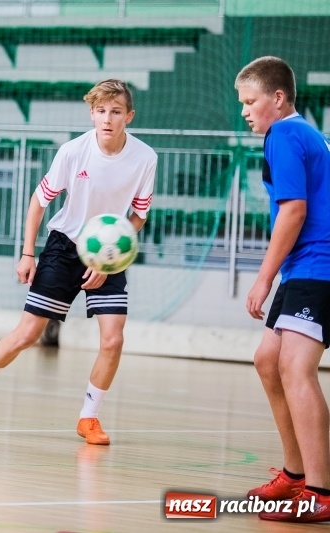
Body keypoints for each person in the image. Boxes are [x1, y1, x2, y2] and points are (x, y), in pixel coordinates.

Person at [0, 79, 156, 446]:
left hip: (109, 251)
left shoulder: (145, 158)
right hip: (64, 246)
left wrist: (108, 259)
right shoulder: (73, 152)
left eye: (116, 111)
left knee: (113, 340)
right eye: (101, 111)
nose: (107, 119)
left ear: (129, 116)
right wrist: (28, 253)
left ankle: (89, 417)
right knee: (28, 333)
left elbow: (139, 214)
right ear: (91, 113)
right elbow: (39, 201)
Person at [235, 56, 330, 523]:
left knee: (295, 367)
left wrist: (262, 276)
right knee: (267, 360)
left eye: (251, 101)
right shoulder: (301, 133)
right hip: (304, 267)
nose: (245, 111)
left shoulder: (286, 135)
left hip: (320, 265)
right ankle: (294, 475)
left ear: (277, 98)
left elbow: (293, 210)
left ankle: (321, 491)